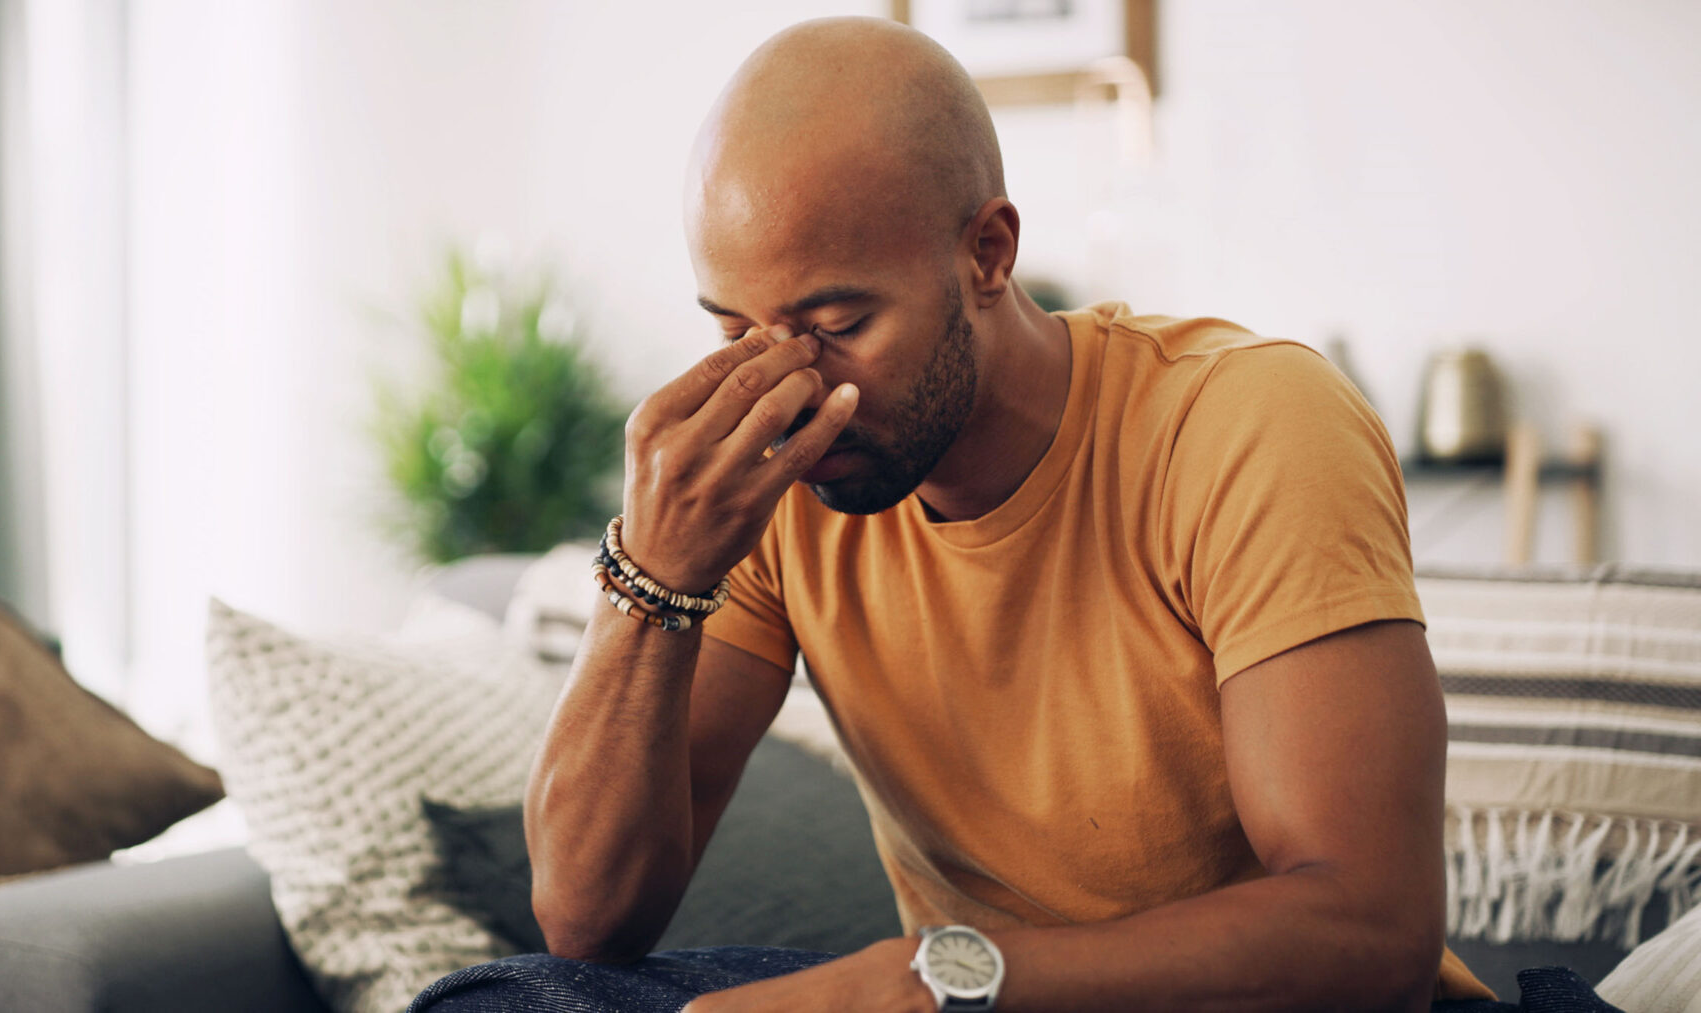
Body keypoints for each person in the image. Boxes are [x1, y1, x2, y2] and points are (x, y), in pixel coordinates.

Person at [418, 15, 1504, 1012]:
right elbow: (587, 918)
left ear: (987, 252)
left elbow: (1369, 931)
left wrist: (932, 976)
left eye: (836, 320)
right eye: (734, 328)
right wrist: (653, 574)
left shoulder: (1247, 423)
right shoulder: (784, 474)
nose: (784, 383)